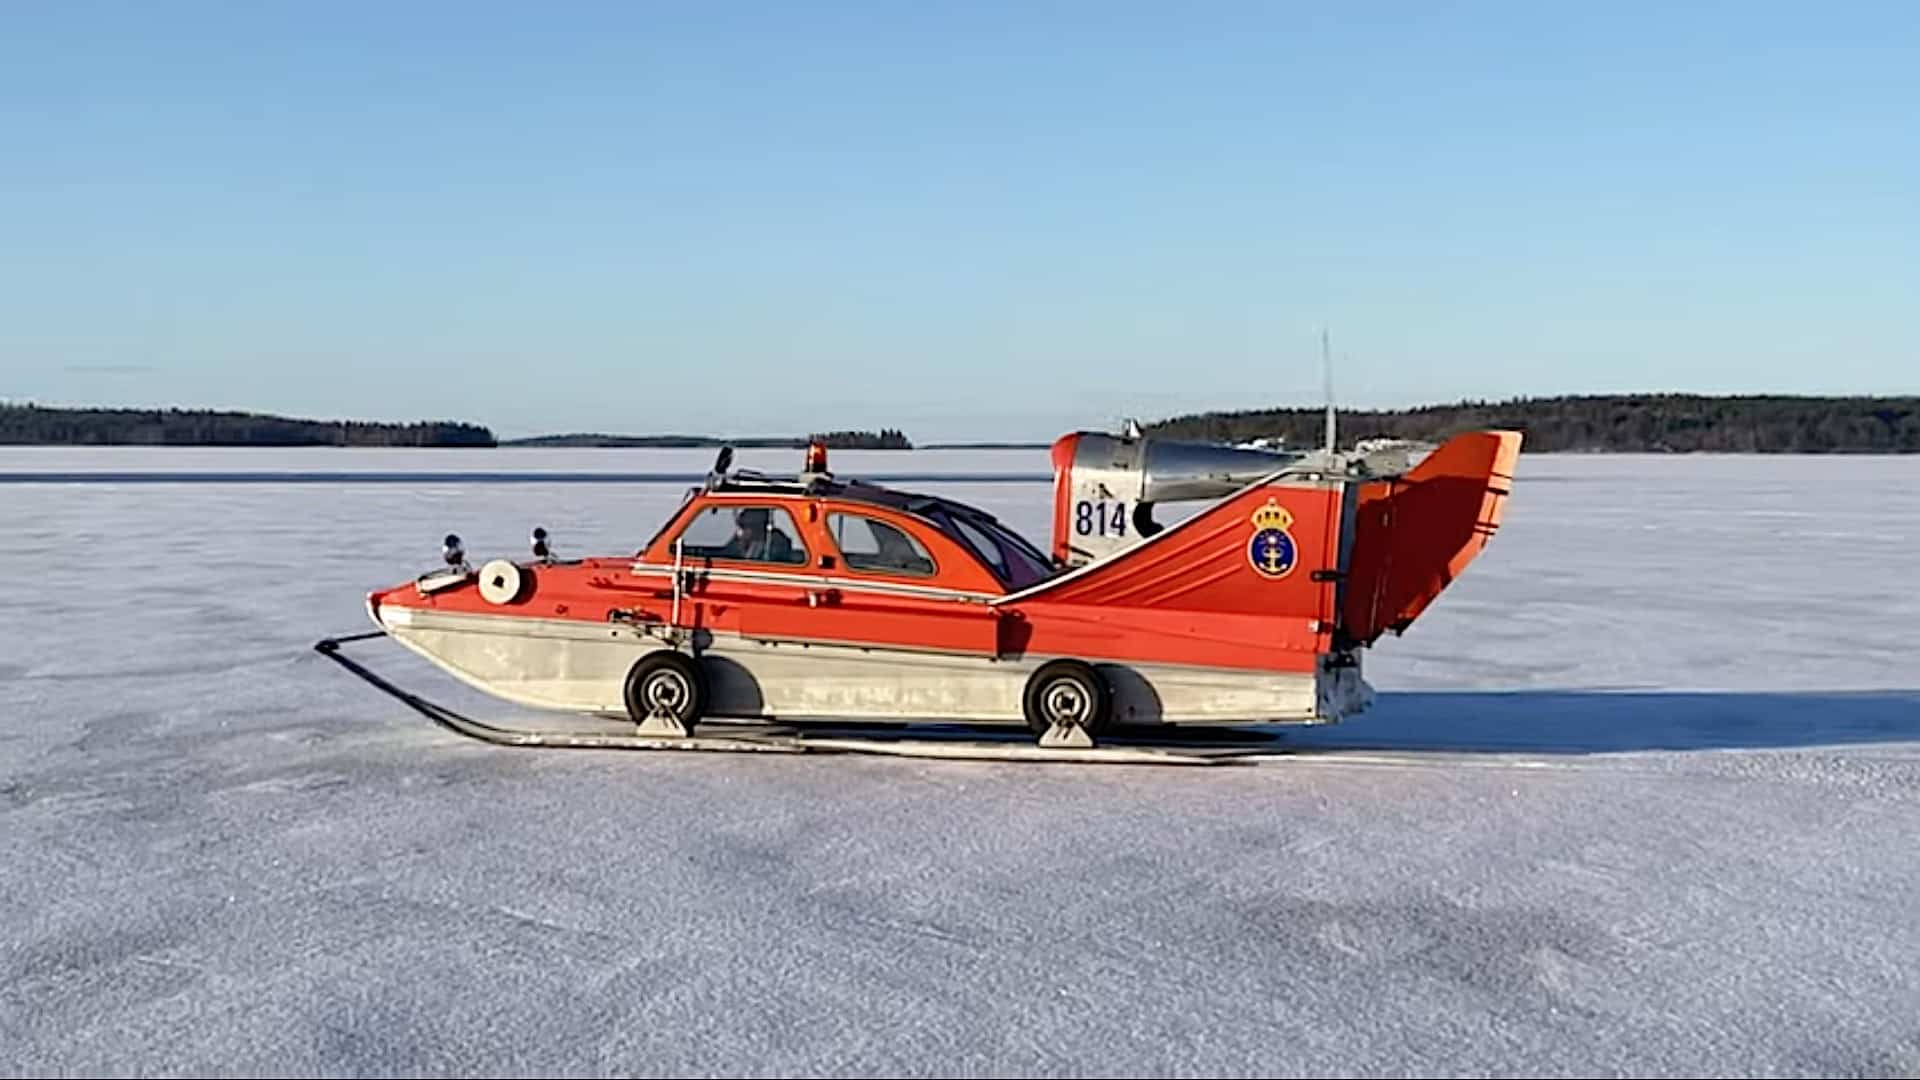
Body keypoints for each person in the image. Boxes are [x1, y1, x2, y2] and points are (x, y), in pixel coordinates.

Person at [728, 507, 795, 563]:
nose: (744, 530)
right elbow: (728, 553)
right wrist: (741, 544)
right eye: (743, 526)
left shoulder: (776, 540)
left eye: (747, 526)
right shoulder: (741, 538)